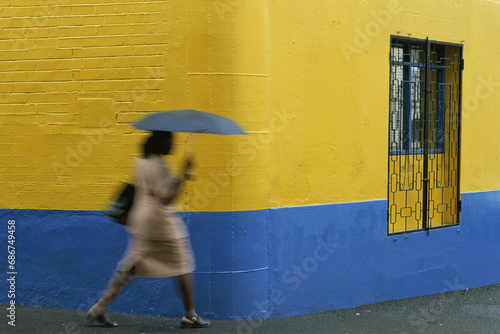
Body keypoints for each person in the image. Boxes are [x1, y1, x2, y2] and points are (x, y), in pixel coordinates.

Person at [87, 131, 209, 329]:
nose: (172, 145)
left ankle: (99, 308)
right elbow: (168, 197)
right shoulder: (159, 165)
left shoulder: (141, 161)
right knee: (183, 264)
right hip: (159, 223)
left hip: (141, 220)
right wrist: (183, 175)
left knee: (132, 265)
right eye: (169, 141)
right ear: (160, 143)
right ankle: (190, 314)